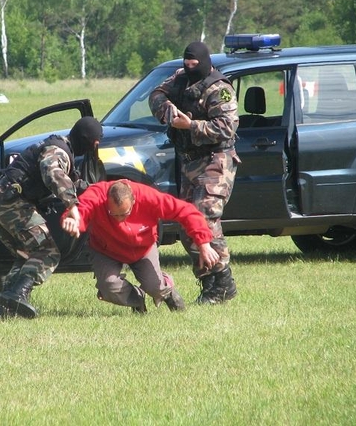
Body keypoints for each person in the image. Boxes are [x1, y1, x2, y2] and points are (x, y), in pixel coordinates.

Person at [148, 41, 240, 304]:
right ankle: (209, 283)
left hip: (216, 161)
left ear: (204, 62)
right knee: (188, 225)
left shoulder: (219, 89)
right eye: (186, 64)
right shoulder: (180, 78)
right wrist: (169, 111)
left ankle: (223, 284)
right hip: (188, 162)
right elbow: (155, 94)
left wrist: (191, 126)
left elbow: (226, 128)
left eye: (193, 65)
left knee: (205, 219)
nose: (189, 68)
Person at [0, 116, 103, 319]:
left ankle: (6, 308)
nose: (94, 148)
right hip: (11, 204)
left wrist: (97, 190)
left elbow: (71, 180)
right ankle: (17, 294)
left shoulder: (62, 149)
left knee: (26, 253)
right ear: (86, 139)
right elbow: (52, 173)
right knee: (47, 252)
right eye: (94, 143)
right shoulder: (58, 151)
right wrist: (72, 205)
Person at [61, 180, 219, 313]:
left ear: (134, 201)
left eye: (124, 214)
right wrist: (74, 221)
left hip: (142, 247)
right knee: (109, 287)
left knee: (155, 287)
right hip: (105, 249)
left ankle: (167, 291)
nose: (119, 220)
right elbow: (80, 210)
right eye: (113, 214)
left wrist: (203, 243)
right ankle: (137, 300)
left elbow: (186, 212)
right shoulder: (97, 195)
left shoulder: (148, 197)